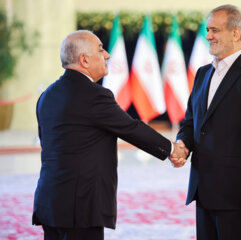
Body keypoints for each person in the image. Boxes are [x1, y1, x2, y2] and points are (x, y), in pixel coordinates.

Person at [32, 30, 187, 240]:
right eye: (100, 49)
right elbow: (131, 128)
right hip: (81, 206)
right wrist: (171, 149)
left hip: (50, 202)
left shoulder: (47, 95)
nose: (107, 55)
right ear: (84, 60)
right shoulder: (94, 95)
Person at [174, 5, 241, 240]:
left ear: (236, 33)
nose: (208, 36)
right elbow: (191, 121)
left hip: (235, 192)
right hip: (203, 187)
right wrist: (182, 144)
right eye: (208, 30)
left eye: (214, 30)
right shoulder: (202, 73)